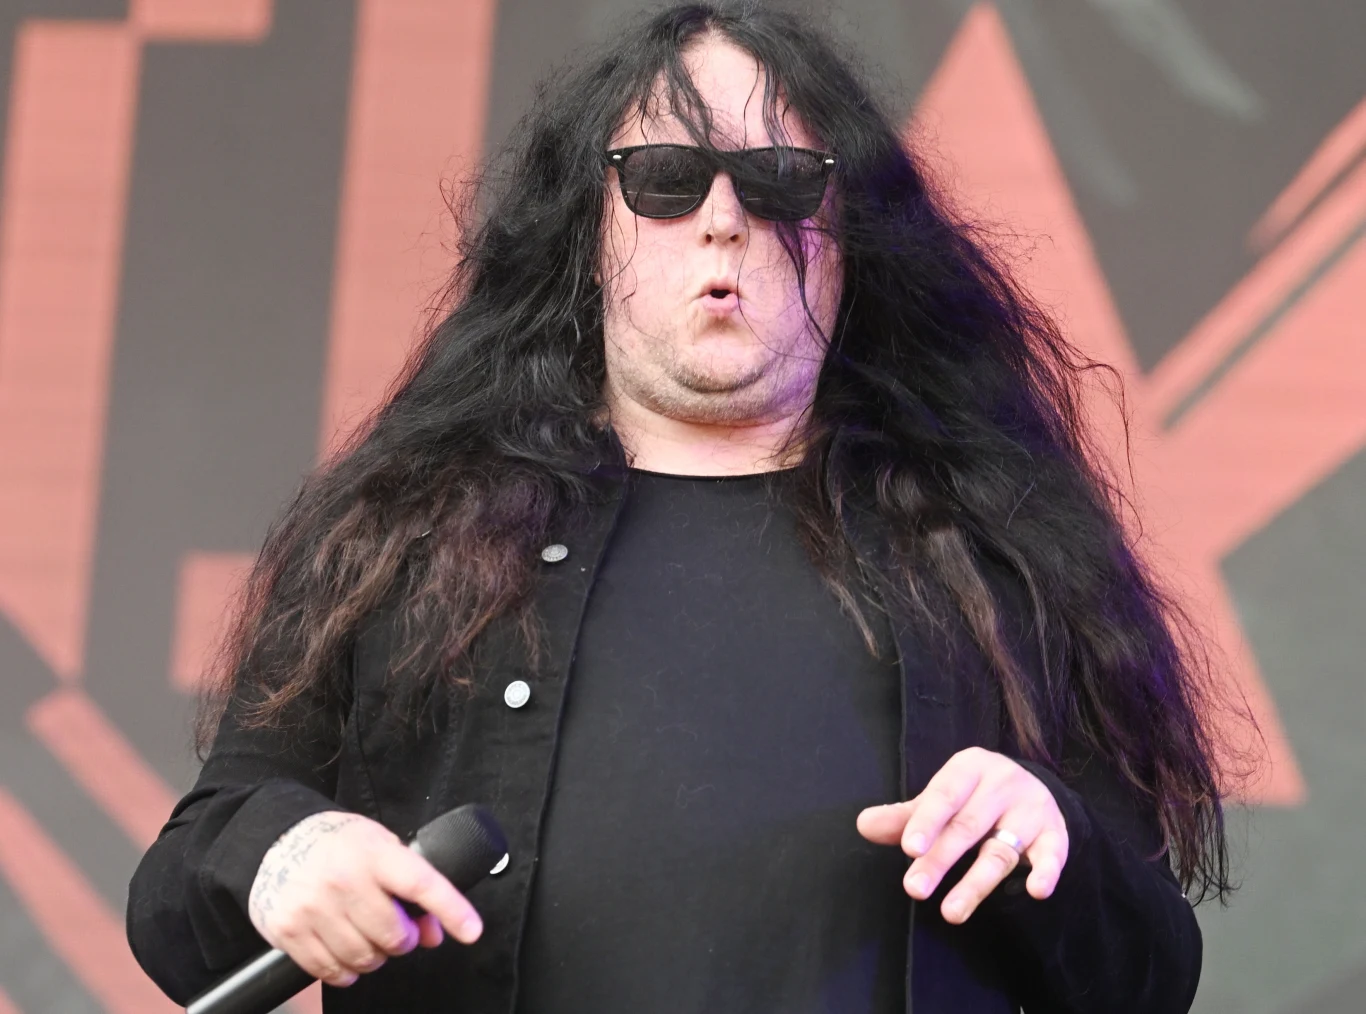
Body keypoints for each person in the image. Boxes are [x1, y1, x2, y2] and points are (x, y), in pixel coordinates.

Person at [126, 3, 1235, 1011]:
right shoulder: (408, 536)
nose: (722, 219)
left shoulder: (994, 554)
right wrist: (287, 856)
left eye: (780, 180)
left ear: (849, 236)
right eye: (664, 177)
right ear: (587, 230)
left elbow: (1150, 976)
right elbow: (180, 898)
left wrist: (1050, 841)